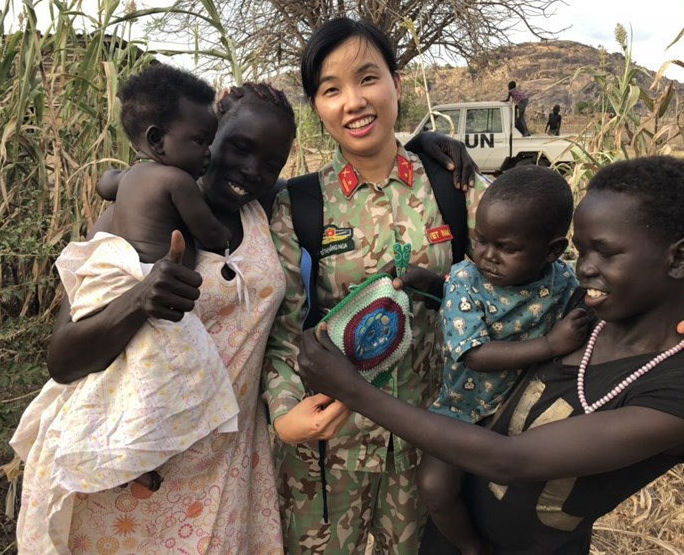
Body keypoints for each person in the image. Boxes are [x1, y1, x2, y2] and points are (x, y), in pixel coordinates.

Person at [38, 73, 476, 552]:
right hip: (143, 463)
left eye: (271, 162)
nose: (251, 170)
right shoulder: (137, 217)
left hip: (231, 465)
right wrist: (138, 299)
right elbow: (63, 360)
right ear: (209, 135)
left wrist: (425, 142)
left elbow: (358, 178)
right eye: (238, 147)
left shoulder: (264, 210)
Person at [298, 155, 684, 555]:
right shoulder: (578, 315)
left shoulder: (680, 398)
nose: (585, 267)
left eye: (606, 252)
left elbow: (508, 460)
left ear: (680, 258)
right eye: (582, 250)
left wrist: (351, 390)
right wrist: (433, 284)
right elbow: (504, 309)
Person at [262, 17, 491, 554]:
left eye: (368, 78)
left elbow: (523, 276)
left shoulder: (453, 185)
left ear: (397, 84)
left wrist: (644, 317)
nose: (353, 102)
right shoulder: (297, 207)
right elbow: (282, 331)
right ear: (316, 107)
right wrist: (283, 414)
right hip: (326, 450)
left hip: (428, 439)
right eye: (330, 89)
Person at [11, 65, 246, 552]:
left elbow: (103, 182)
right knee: (161, 376)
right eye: (202, 141)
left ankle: (118, 457)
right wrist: (223, 235)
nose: (208, 153)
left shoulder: (123, 188)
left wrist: (122, 177)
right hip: (144, 285)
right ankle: (142, 457)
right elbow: (208, 233)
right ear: (159, 140)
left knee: (118, 384)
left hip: (105, 278)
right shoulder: (177, 182)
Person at [417, 166, 587, 555]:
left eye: (506, 248)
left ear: (552, 251)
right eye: (480, 241)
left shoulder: (563, 281)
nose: (487, 256)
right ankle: (471, 547)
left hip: (523, 416)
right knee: (434, 487)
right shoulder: (465, 279)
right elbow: (474, 354)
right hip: (461, 410)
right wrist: (549, 345)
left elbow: (608, 300)